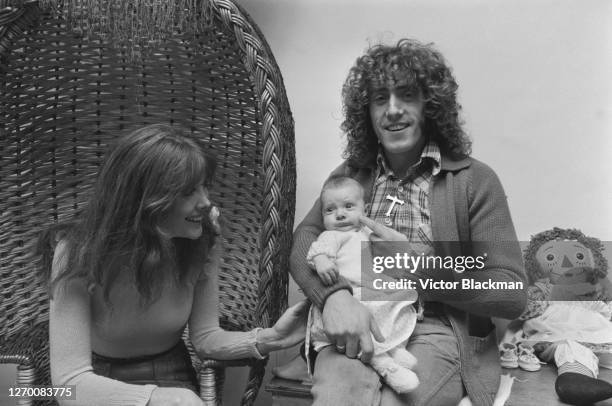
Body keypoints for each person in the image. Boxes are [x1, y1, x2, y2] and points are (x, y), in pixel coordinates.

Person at [289, 38, 527, 406]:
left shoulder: (475, 180)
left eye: (407, 96)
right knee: (339, 397)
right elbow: (305, 238)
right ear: (366, 112)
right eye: (380, 99)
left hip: (437, 328)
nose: (393, 110)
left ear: (430, 106)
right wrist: (333, 297)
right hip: (357, 316)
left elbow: (511, 292)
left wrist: (413, 265)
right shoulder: (353, 175)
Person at [43, 124, 307, 406]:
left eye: (205, 186)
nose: (206, 202)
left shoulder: (200, 243)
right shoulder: (76, 252)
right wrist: (154, 398)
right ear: (143, 200)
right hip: (93, 384)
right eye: (187, 192)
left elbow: (206, 338)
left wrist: (270, 338)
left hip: (173, 375)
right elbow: (67, 383)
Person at [306, 175, 420, 394]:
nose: (340, 214)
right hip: (350, 295)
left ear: (364, 209)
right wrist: (321, 261)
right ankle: (387, 367)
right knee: (364, 323)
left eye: (349, 206)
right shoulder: (332, 235)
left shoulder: (368, 233)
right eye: (330, 210)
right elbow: (317, 251)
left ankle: (393, 348)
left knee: (394, 306)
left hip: (371, 290)